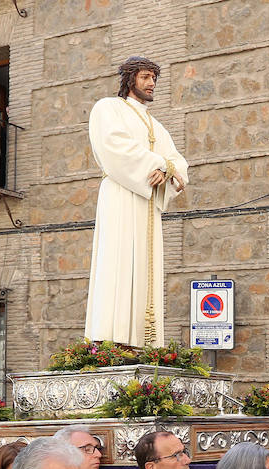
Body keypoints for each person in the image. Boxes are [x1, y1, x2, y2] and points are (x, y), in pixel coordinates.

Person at [85, 56, 189, 348]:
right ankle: (111, 340)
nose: (151, 83)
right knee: (116, 262)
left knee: (145, 268)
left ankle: (143, 343)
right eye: (145, 77)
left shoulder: (157, 126)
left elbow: (180, 164)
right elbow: (114, 145)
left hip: (147, 207)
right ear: (130, 80)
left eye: (154, 78)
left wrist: (166, 169)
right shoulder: (108, 108)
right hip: (120, 195)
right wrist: (158, 165)